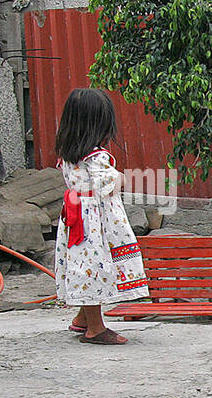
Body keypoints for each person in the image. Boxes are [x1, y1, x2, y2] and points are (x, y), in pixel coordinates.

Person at [54, 88, 148, 345]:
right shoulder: (96, 158)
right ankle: (95, 328)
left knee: (83, 263)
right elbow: (112, 184)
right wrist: (120, 176)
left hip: (76, 218)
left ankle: (83, 318)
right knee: (94, 266)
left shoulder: (67, 154)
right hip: (95, 224)